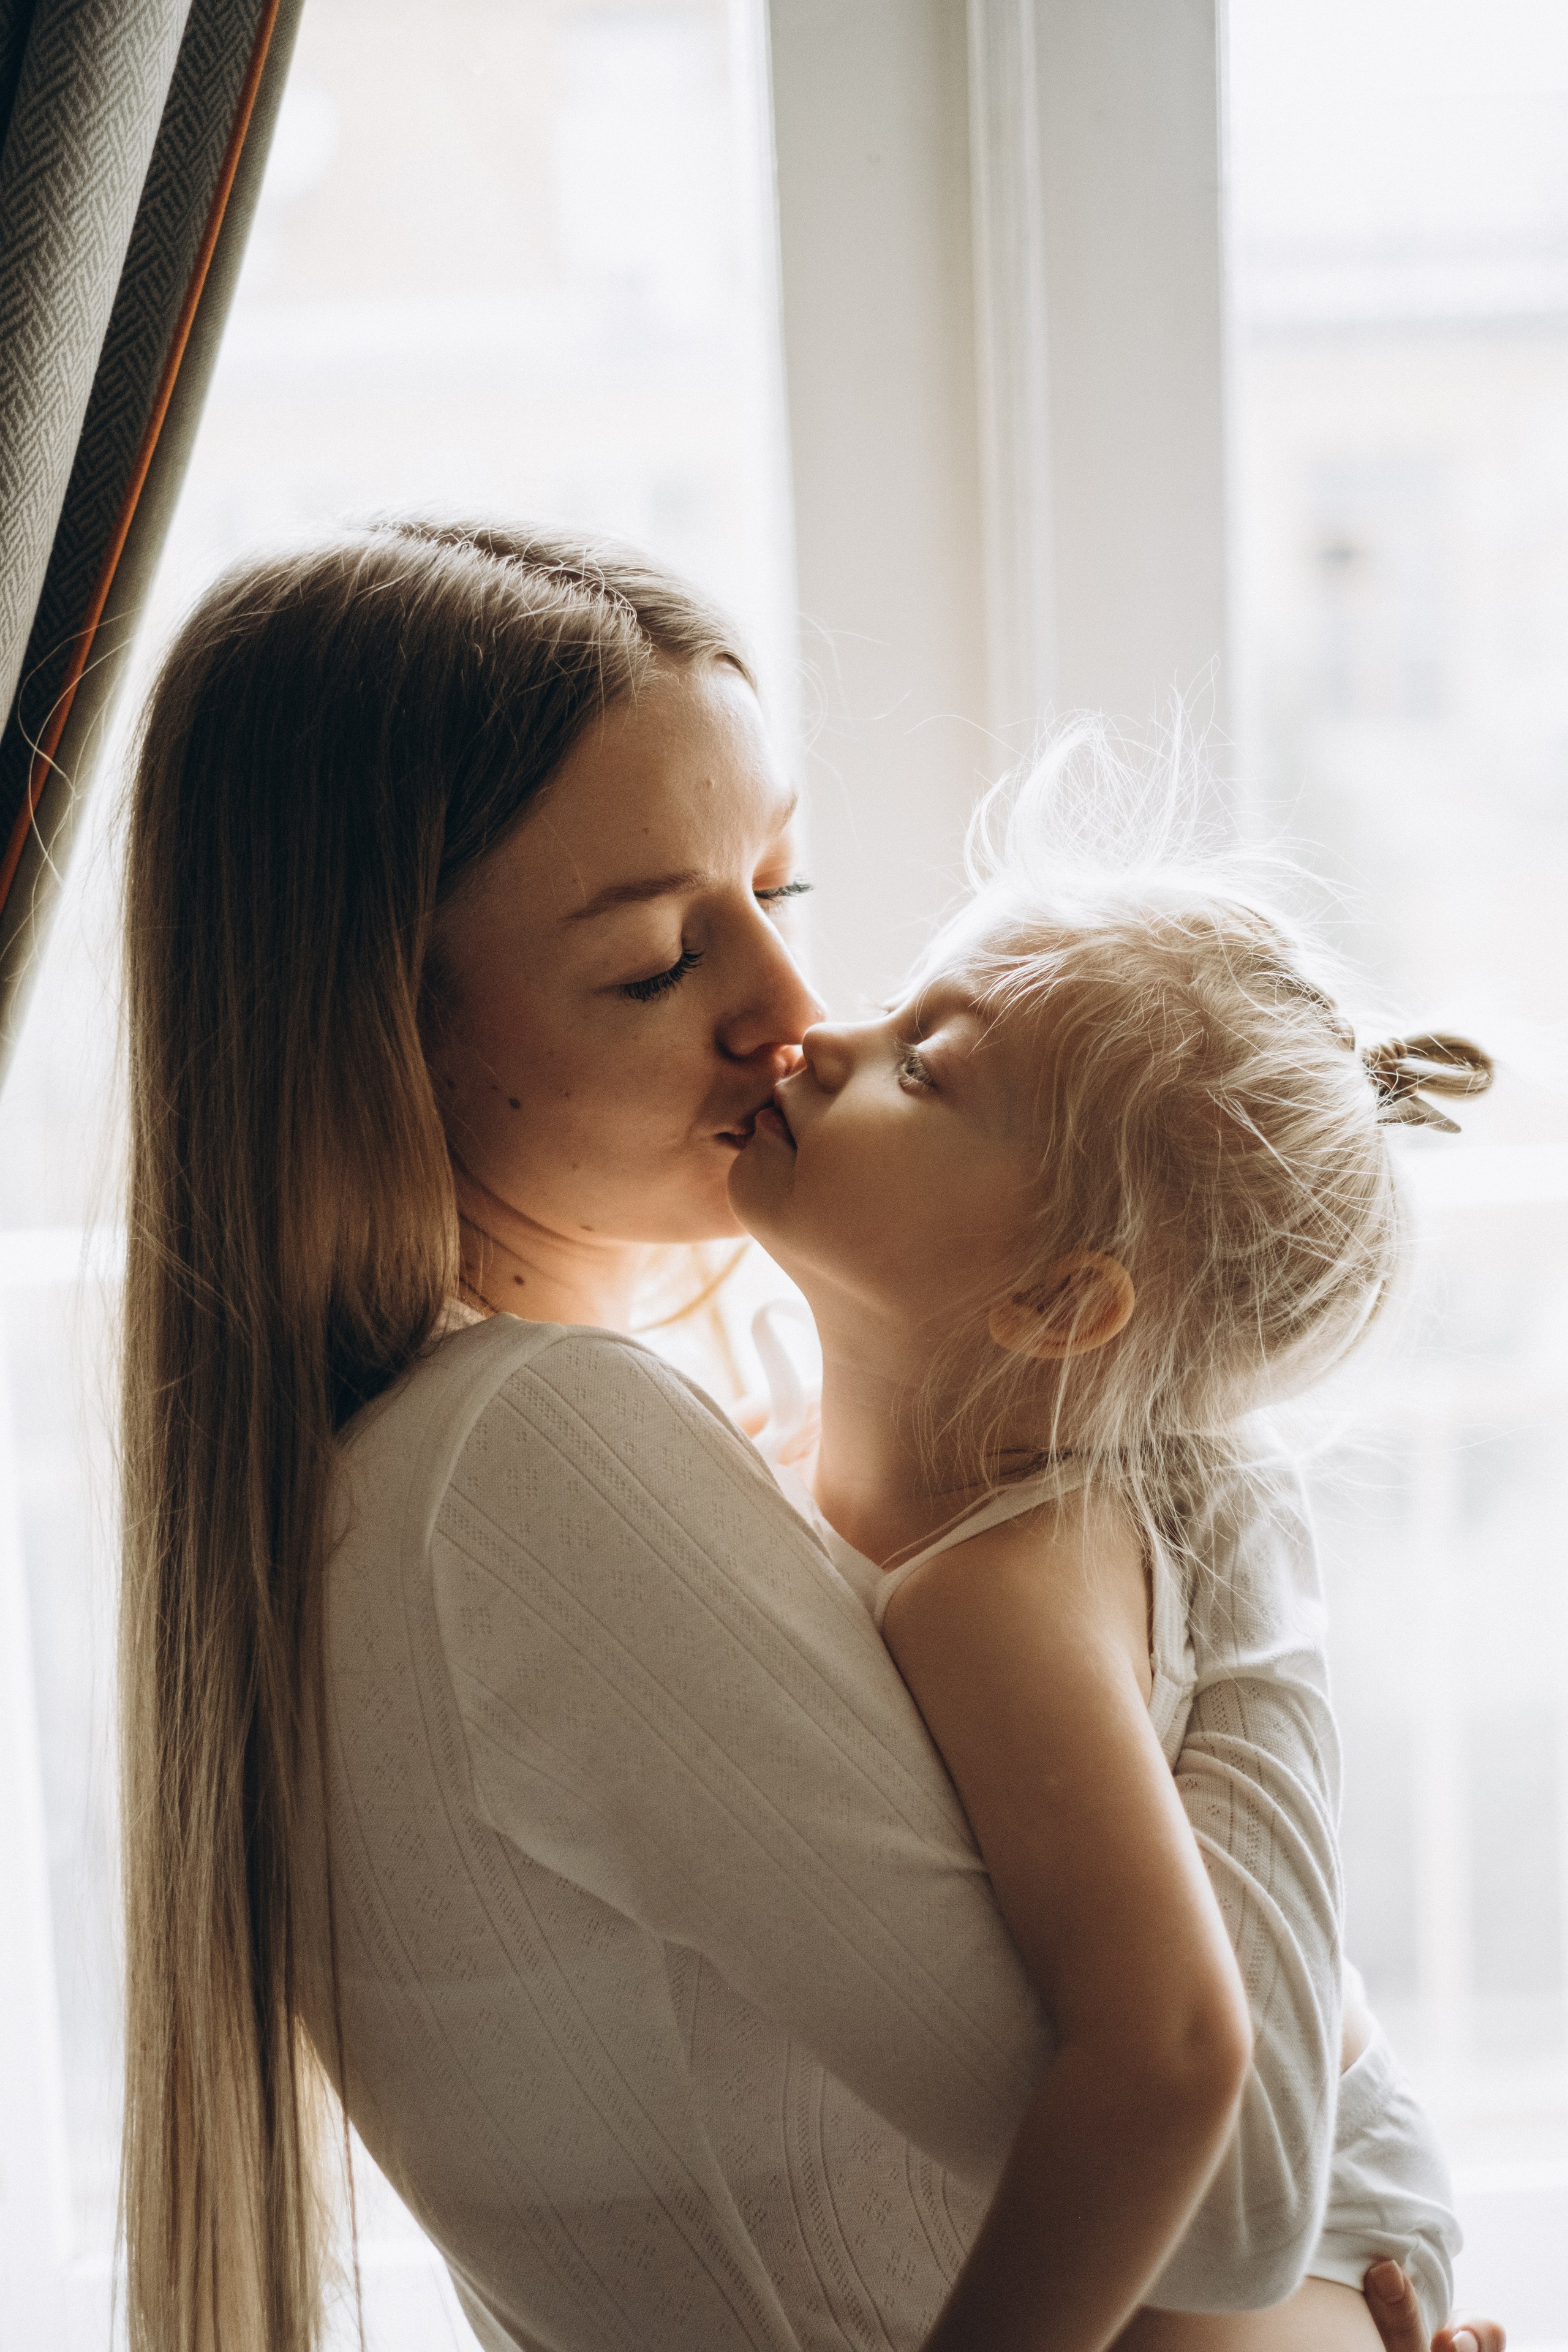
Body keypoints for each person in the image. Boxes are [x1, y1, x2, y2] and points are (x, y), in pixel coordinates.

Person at [116, 521, 1498, 2352]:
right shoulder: (526, 1466)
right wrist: (1242, 1557)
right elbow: (1234, 2197)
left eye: (784, 890)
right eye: (653, 965)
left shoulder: (470, 1469)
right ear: (380, 1031)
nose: (787, 1015)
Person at [728, 733, 1493, 2349]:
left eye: (923, 1069)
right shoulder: (783, 1432)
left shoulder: (1005, 1581)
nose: (819, 1034)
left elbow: (1173, 2058)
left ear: (1058, 1304)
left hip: (1311, 2215)